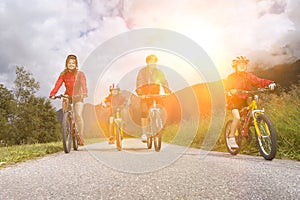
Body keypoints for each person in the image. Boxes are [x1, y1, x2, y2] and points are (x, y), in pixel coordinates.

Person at [225, 56, 276, 148]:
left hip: (245, 99)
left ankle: (250, 120)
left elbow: (259, 81)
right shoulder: (231, 77)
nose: (242, 66)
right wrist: (231, 91)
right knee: (236, 117)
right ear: (235, 66)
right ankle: (231, 136)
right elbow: (227, 88)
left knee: (252, 99)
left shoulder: (248, 76)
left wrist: (270, 83)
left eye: (244, 64)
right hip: (234, 100)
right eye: (240, 64)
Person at [49, 54, 88, 145]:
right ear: (66, 64)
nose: (71, 64)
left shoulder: (80, 74)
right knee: (66, 110)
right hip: (68, 95)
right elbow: (58, 85)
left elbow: (83, 84)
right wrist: (53, 94)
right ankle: (68, 122)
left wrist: (85, 92)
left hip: (78, 96)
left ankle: (80, 136)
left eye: (73, 63)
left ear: (76, 64)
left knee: (78, 114)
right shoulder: (63, 74)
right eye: (69, 63)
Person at [136, 54, 171, 142]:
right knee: (144, 112)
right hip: (145, 95)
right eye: (151, 61)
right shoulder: (142, 72)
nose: (153, 63)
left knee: (162, 108)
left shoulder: (158, 72)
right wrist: (141, 93)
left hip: (156, 93)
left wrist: (167, 91)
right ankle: (144, 133)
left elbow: (164, 81)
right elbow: (139, 82)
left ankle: (160, 125)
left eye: (154, 61)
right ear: (147, 62)